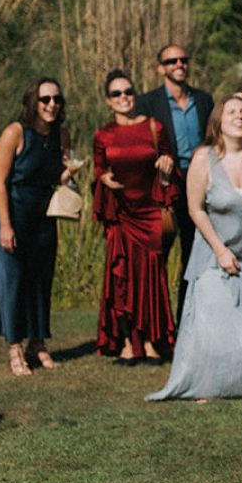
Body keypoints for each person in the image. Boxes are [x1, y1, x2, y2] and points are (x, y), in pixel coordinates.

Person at [148, 95, 242, 403]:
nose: (239, 116)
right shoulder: (204, 158)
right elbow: (195, 208)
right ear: (218, 121)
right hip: (216, 248)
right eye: (232, 112)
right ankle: (208, 383)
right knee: (213, 318)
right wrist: (219, 249)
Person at [0, 78, 74, 378]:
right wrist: (5, 226)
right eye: (45, 99)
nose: (52, 105)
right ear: (33, 102)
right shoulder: (15, 132)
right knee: (12, 281)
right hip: (13, 212)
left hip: (44, 214)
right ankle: (14, 348)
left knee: (41, 280)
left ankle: (38, 343)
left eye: (57, 100)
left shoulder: (60, 135)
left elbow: (55, 175)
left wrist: (69, 173)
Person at [93, 69, 177, 362]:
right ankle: (128, 341)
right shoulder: (103, 134)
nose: (124, 98)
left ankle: (153, 340)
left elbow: (170, 166)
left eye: (128, 91)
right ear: (108, 100)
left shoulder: (154, 127)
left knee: (152, 278)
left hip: (150, 211)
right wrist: (103, 179)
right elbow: (98, 169)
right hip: (121, 214)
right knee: (122, 278)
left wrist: (166, 166)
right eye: (116, 93)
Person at [135, 43, 214, 321]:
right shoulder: (146, 103)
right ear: (161, 68)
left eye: (183, 59)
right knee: (157, 254)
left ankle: (187, 319)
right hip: (163, 184)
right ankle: (155, 324)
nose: (178, 65)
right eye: (171, 61)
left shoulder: (204, 100)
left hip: (198, 183)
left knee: (194, 254)